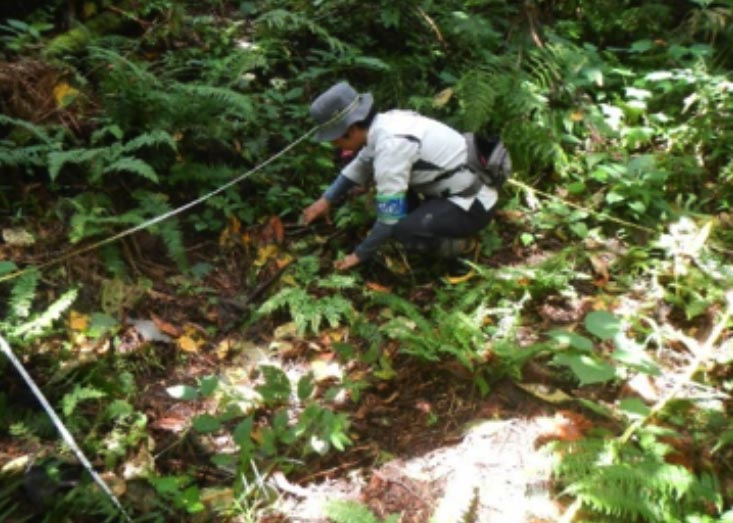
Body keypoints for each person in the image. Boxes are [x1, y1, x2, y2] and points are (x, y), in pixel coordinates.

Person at [301, 81, 498, 273]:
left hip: (474, 204)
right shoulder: (386, 123)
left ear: (351, 130)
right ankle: (436, 224)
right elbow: (360, 165)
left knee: (405, 231)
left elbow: (389, 217)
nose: (336, 146)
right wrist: (325, 200)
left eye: (335, 141)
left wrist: (359, 255)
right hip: (457, 187)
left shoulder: (392, 147)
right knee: (390, 199)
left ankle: (462, 246)